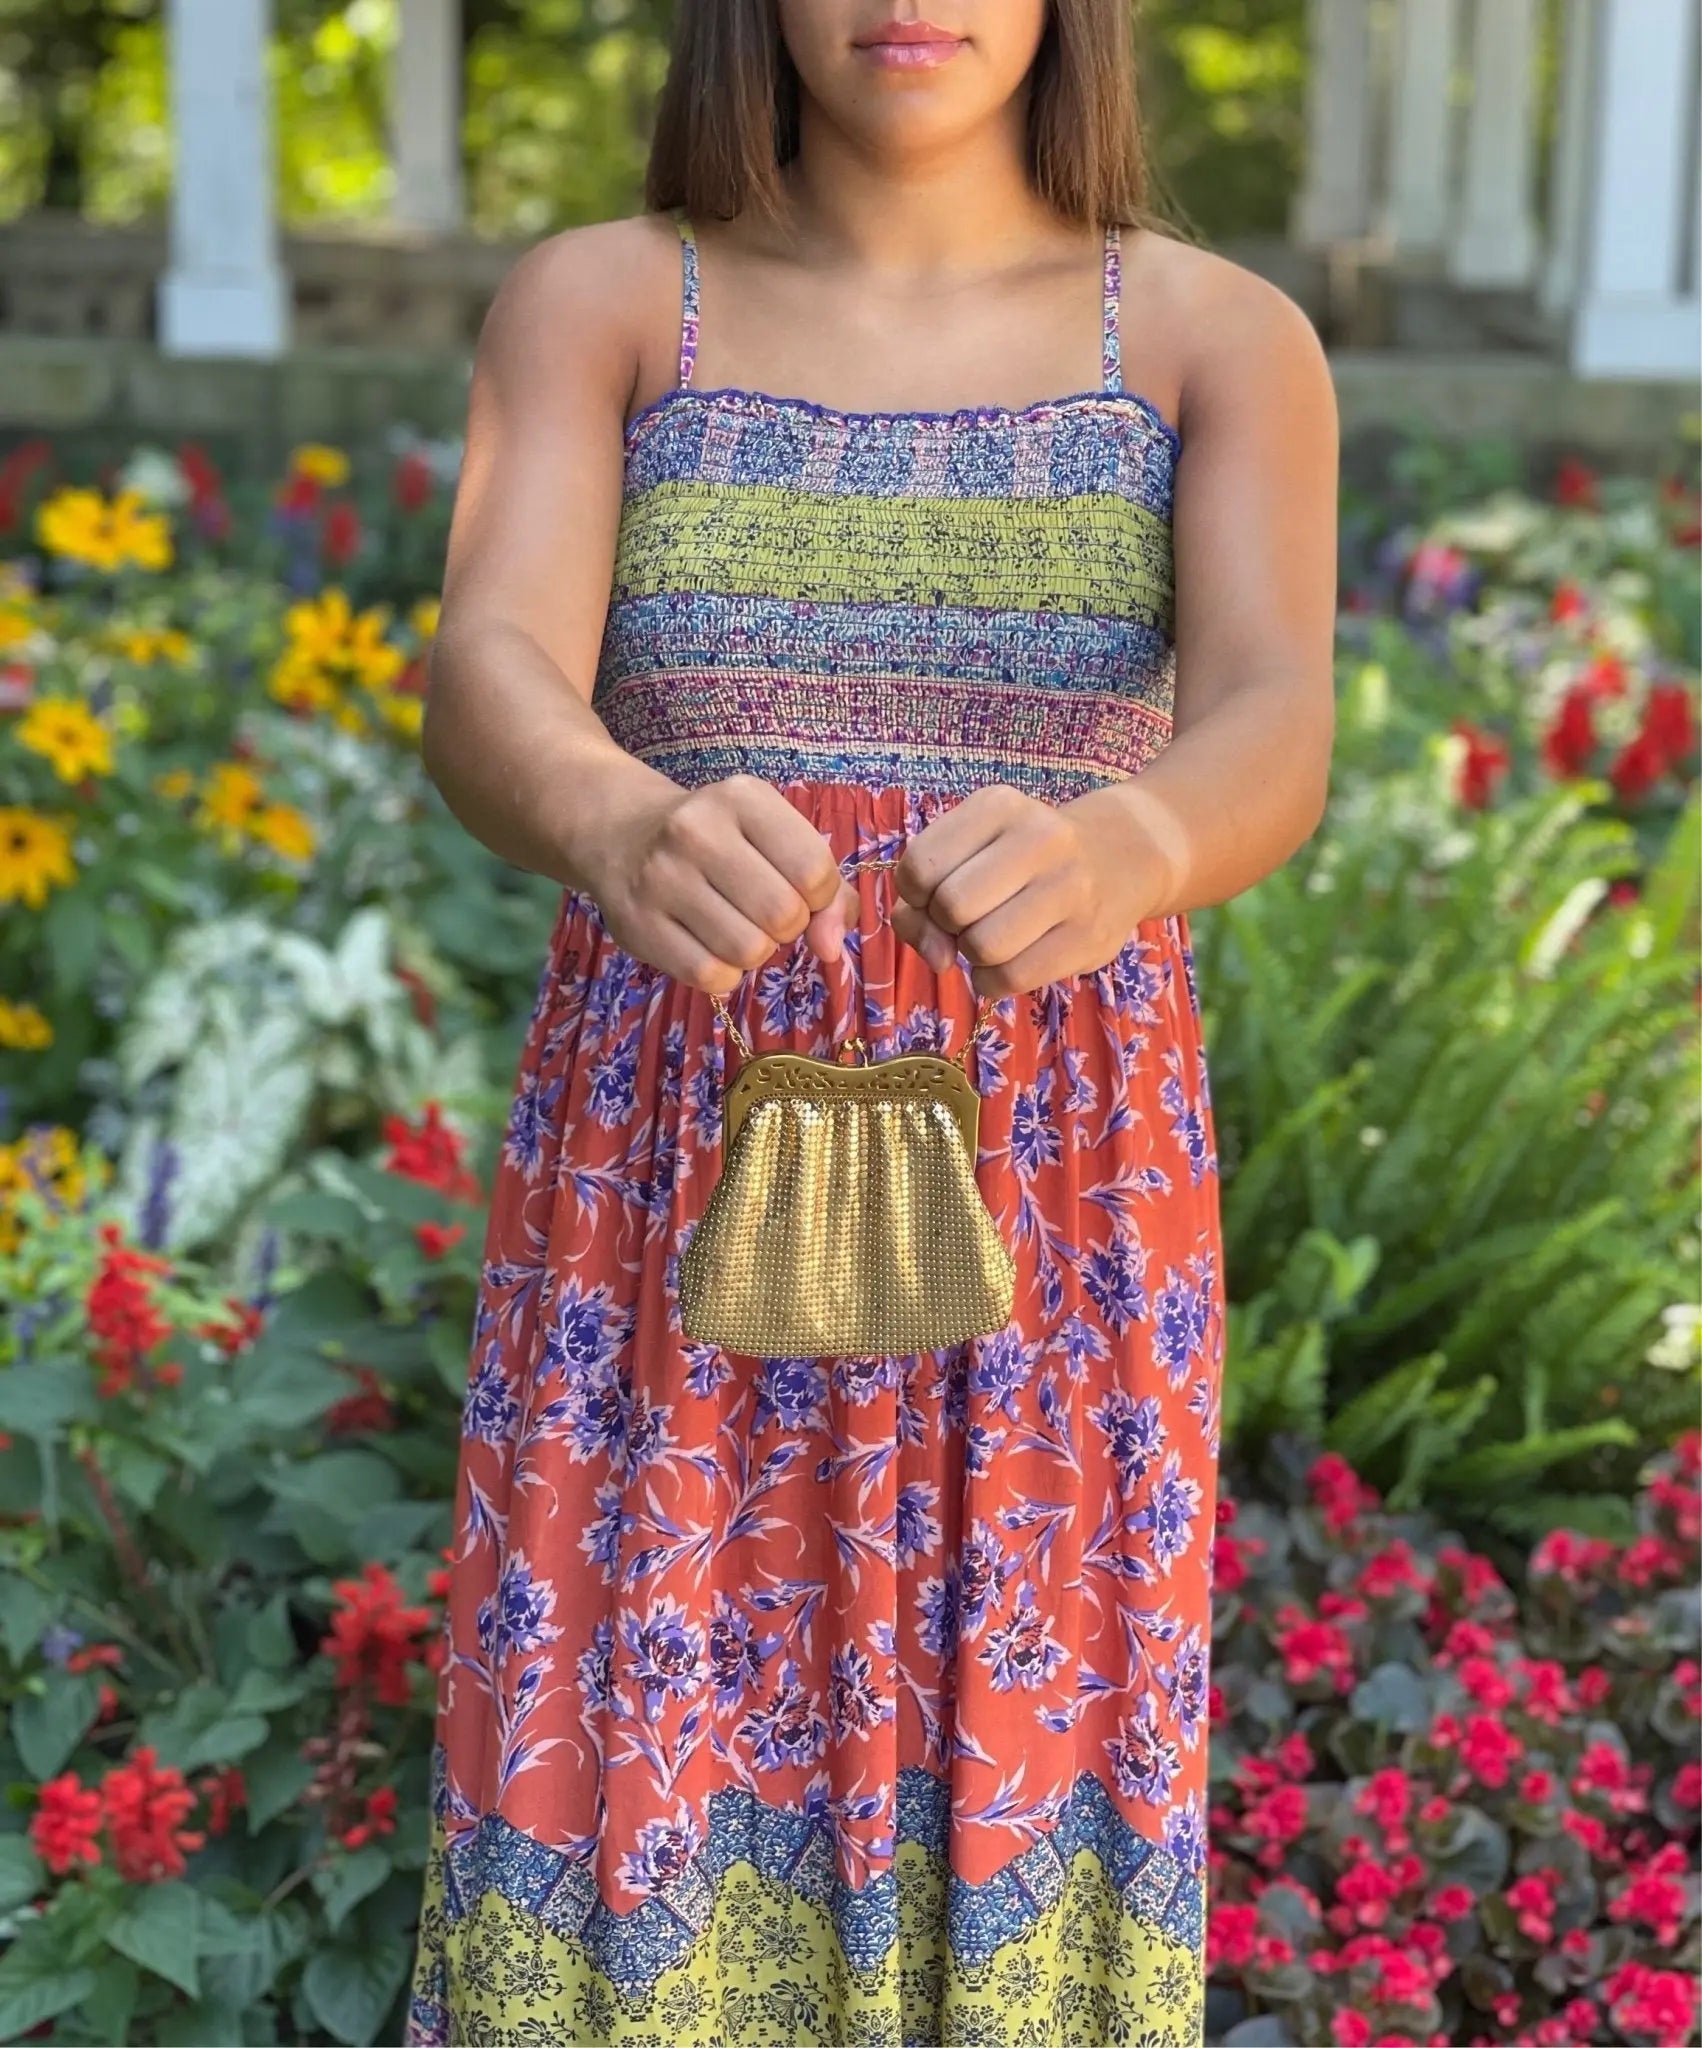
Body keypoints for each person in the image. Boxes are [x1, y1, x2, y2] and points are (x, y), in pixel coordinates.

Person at [403, 2, 1337, 2042]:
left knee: (1017, 1752)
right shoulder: (603, 302)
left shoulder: (1207, 335)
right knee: (629, 1730)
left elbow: (1276, 715)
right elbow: (488, 661)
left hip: (1054, 1201)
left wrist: (1133, 846)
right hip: (665, 1181)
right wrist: (603, 811)